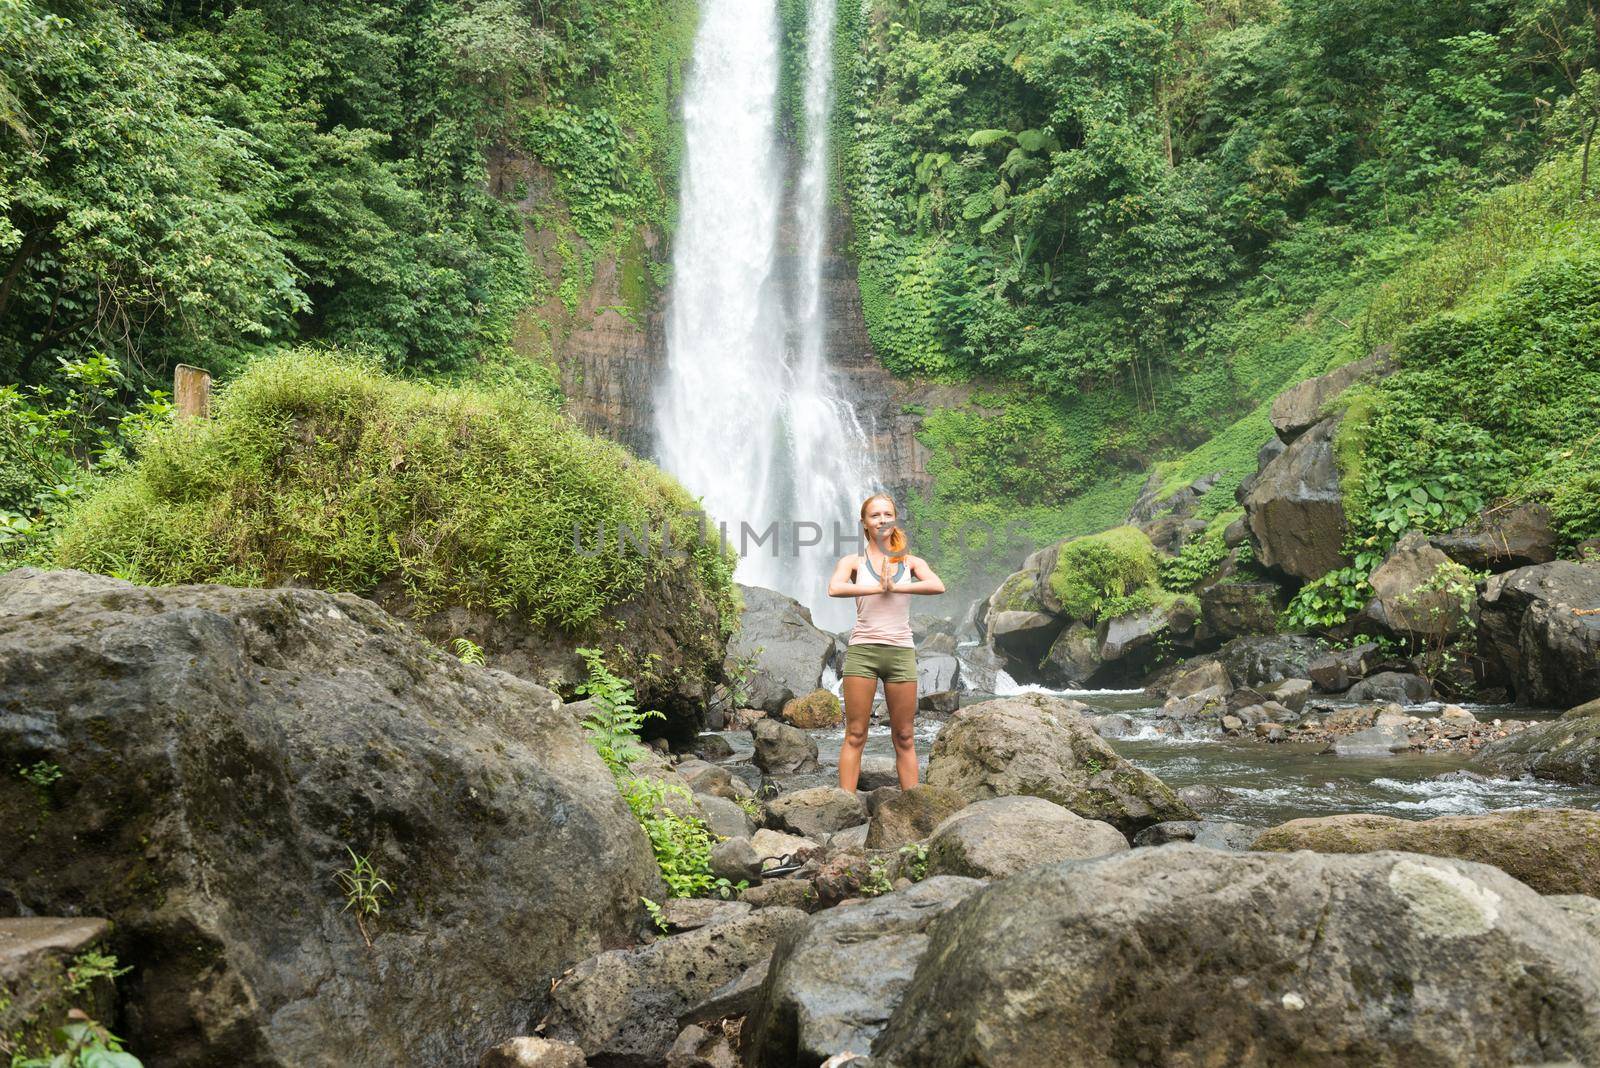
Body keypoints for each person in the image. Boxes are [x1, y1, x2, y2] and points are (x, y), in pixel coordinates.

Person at [826, 493, 945, 792]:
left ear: (894, 520)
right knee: (855, 733)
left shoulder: (911, 562)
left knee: (904, 735)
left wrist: (897, 584)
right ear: (864, 523)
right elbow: (834, 588)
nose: (882, 520)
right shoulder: (853, 562)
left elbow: (937, 585)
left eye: (887, 514)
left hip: (901, 653)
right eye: (875, 515)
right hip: (862, 652)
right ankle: (845, 804)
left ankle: (913, 805)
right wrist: (878, 586)